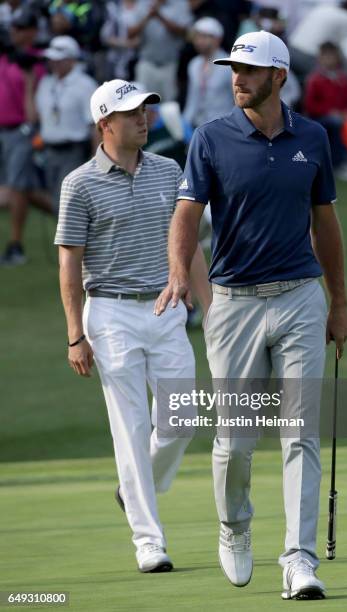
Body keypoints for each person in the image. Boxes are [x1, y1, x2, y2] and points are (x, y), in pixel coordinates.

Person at [155, 31, 347, 599]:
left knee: (299, 434)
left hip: (299, 298)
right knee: (237, 441)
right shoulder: (211, 138)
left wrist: (338, 301)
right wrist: (177, 274)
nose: (236, 78)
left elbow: (327, 225)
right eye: (233, 69)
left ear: (279, 76)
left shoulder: (311, 138)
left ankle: (299, 559)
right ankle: (235, 526)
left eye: (248, 70)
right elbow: (187, 214)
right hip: (235, 304)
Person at [54, 79, 212, 572]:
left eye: (145, 110)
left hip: (167, 310)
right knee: (131, 428)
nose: (143, 118)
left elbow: (191, 245)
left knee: (181, 419)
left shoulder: (168, 170)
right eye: (131, 113)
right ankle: (149, 541)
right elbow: (69, 263)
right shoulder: (78, 183)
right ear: (105, 123)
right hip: (111, 312)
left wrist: (212, 312)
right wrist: (75, 334)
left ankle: (132, 487)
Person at [0, 8, 49, 265]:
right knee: (21, 189)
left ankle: (15, 245)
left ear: (32, 31)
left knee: (19, 187)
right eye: (13, 28)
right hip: (3, 130)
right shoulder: (6, 56)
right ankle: (66, 213)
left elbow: (36, 101)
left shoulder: (36, 61)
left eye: (20, 28)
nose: (14, 32)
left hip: (23, 129)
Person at [35, 35, 98, 211]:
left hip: (74, 151)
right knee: (57, 201)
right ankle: (66, 239)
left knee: (70, 201)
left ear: (71, 60)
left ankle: (74, 238)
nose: (53, 63)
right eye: (51, 59)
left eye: (58, 60)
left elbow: (94, 125)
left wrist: (96, 157)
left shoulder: (85, 85)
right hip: (48, 150)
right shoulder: (46, 83)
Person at [304, 42, 347, 180]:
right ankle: (338, 163)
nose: (330, 59)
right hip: (319, 118)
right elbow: (310, 106)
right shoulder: (315, 79)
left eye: (332, 56)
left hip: (339, 117)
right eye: (326, 56)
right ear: (320, 58)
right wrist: (329, 112)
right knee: (335, 124)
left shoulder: (343, 79)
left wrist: (346, 112)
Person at [127, 0, 193, 101]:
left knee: (169, 105)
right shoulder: (142, 3)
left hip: (170, 64)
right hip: (146, 62)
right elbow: (130, 34)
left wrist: (159, 16)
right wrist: (148, 16)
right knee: (142, 102)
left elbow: (184, 33)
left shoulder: (180, 3)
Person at [183, 17, 234, 128]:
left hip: (223, 126)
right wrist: (185, 121)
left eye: (204, 37)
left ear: (217, 39)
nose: (199, 41)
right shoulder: (194, 64)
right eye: (197, 37)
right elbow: (192, 98)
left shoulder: (229, 65)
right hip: (198, 125)